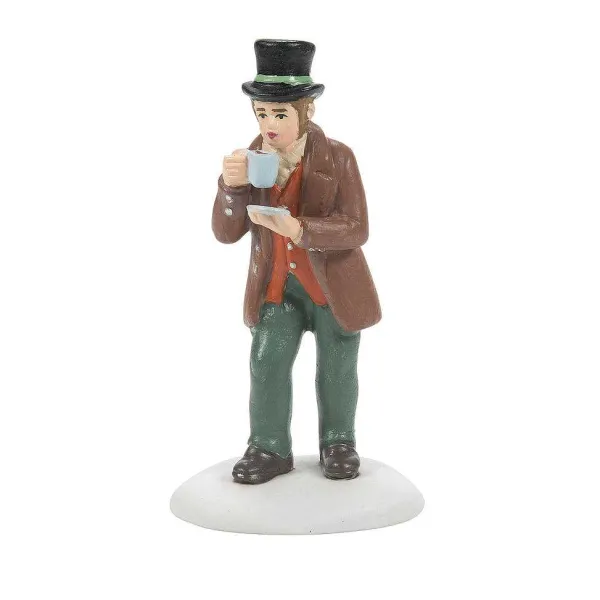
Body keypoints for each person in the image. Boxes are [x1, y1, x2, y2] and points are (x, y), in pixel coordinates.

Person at [212, 39, 381, 484]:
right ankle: (269, 447)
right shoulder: (250, 162)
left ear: (307, 111)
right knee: (267, 362)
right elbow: (226, 233)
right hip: (277, 288)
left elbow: (357, 227)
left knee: (337, 367)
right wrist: (231, 188)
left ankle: (338, 442)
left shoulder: (339, 157)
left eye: (280, 114)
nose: (269, 125)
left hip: (332, 287)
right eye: (261, 113)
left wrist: (301, 230)